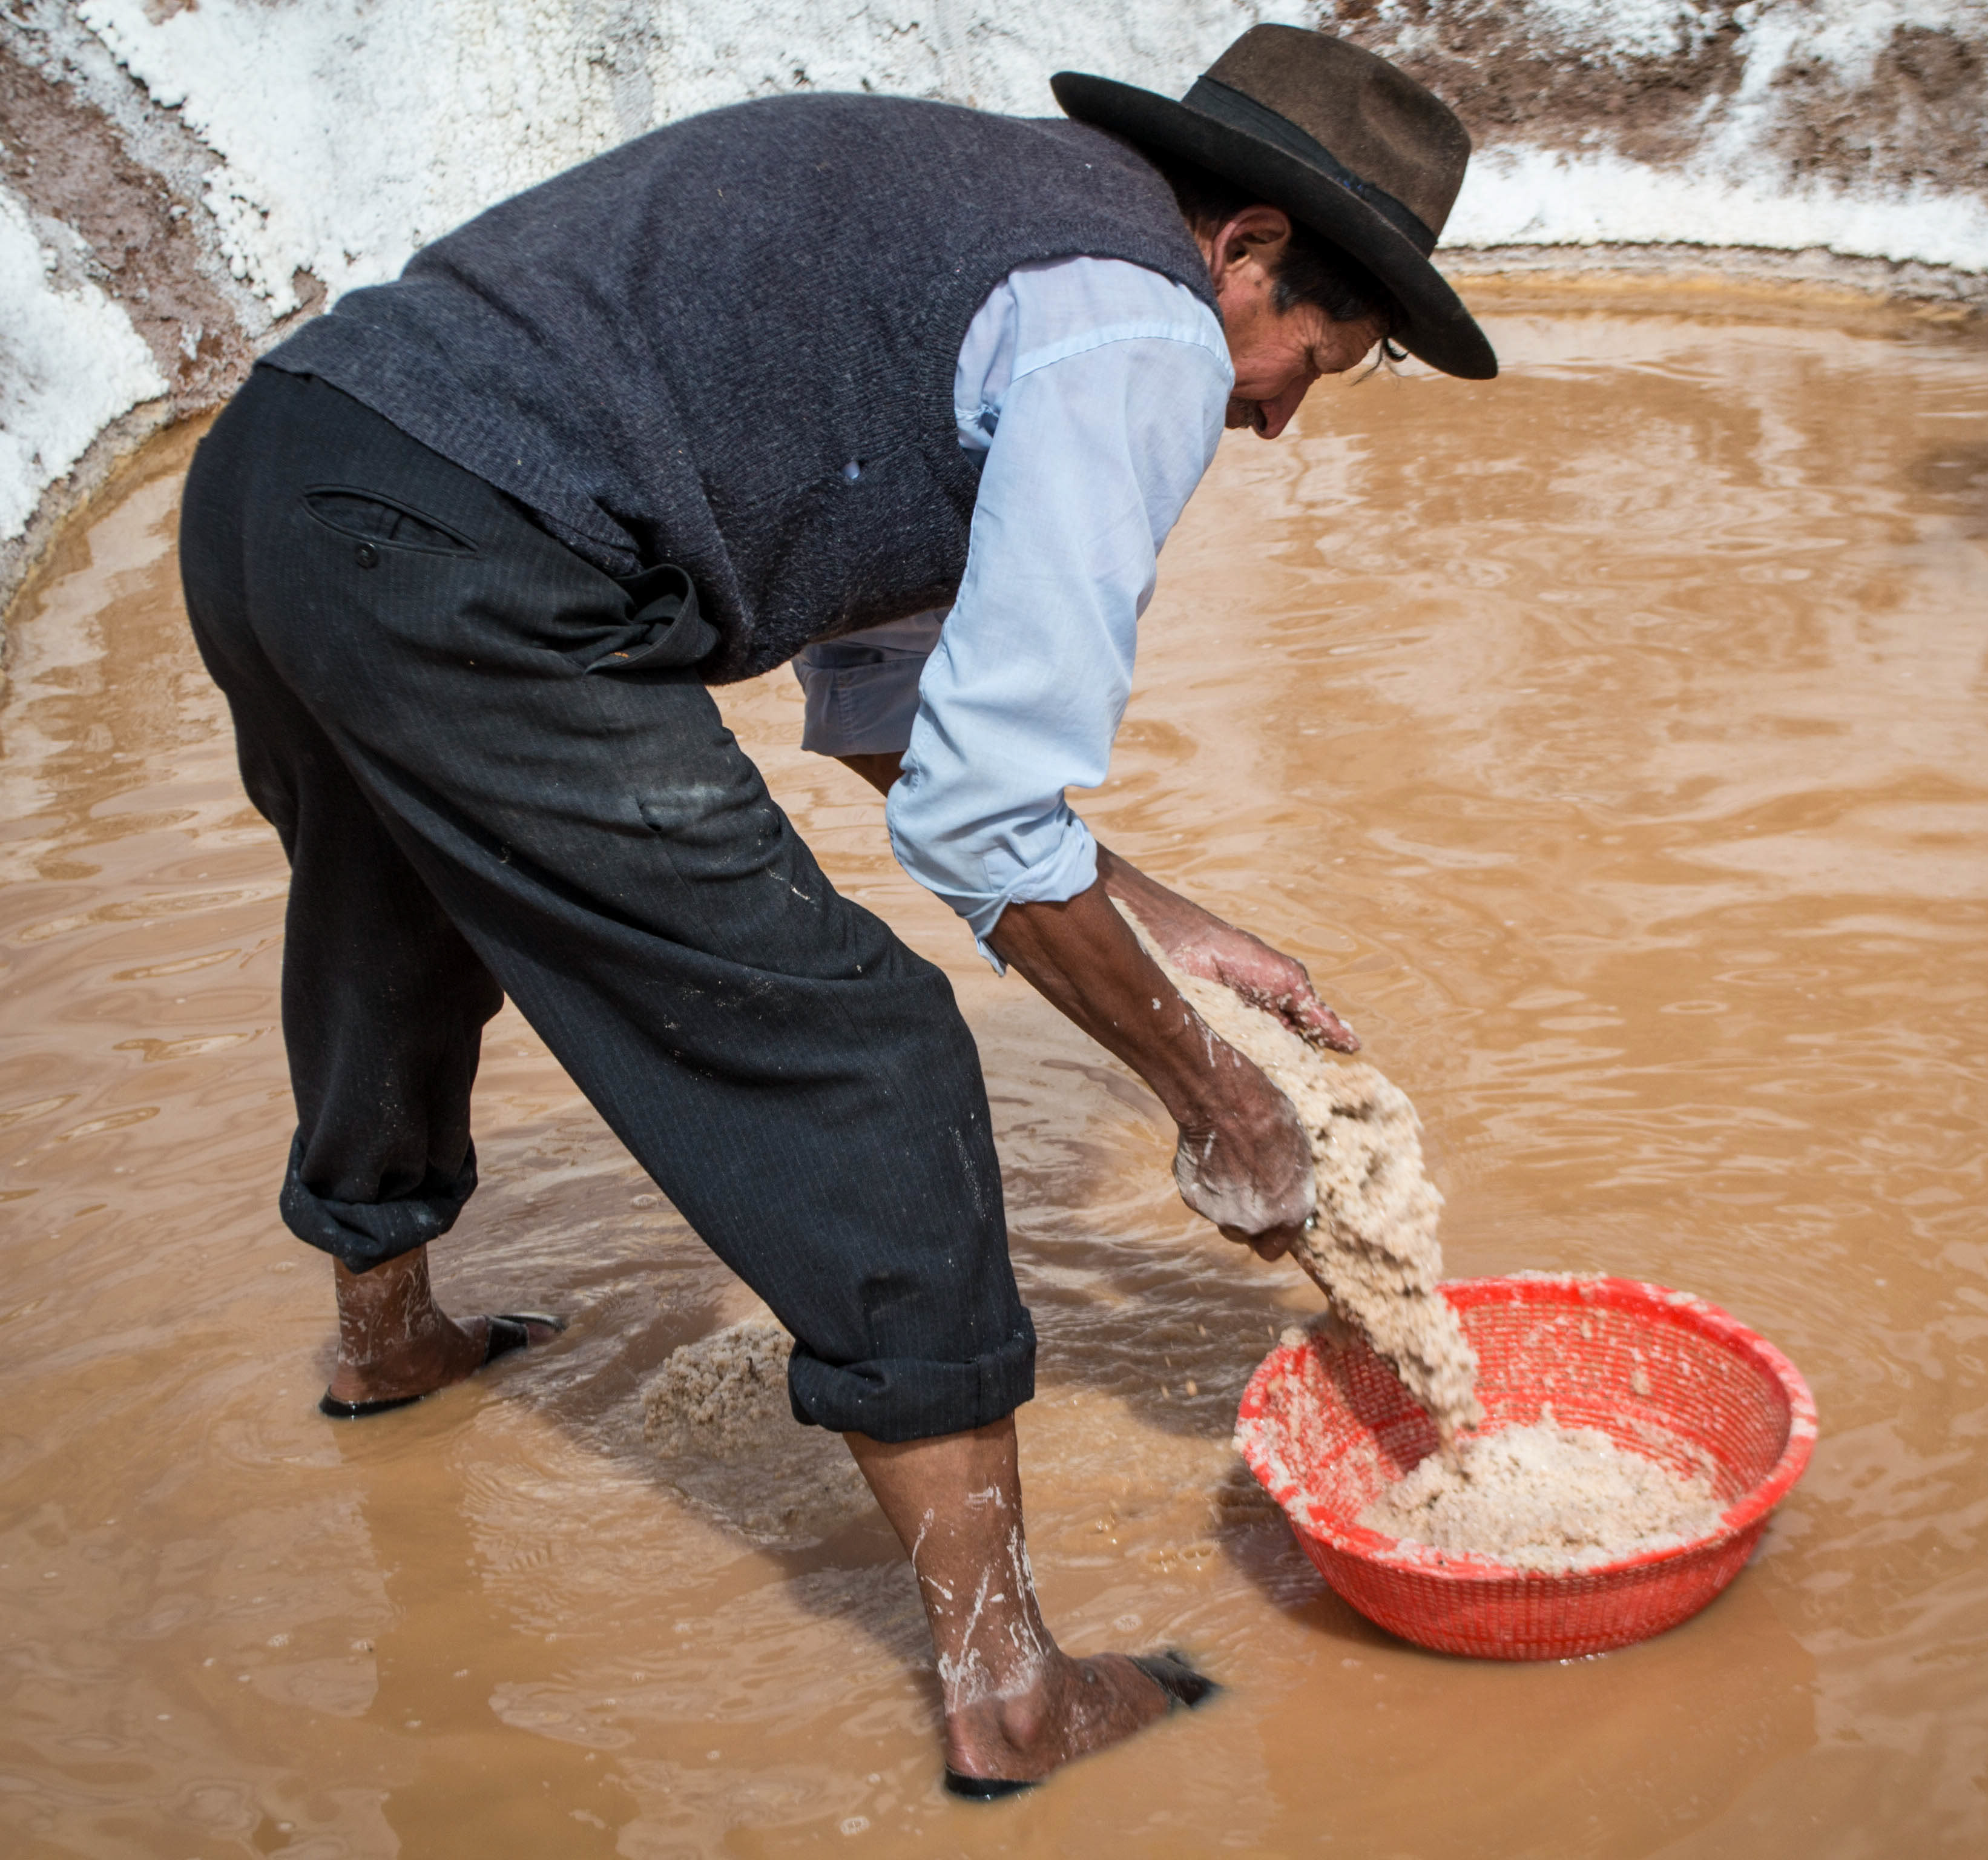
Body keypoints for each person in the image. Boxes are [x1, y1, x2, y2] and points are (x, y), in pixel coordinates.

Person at [176, 24, 1495, 1793]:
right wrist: (1222, 1102)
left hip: (283, 476)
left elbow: (899, 720)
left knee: (394, 911)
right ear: (1248, 248)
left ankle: (388, 1339)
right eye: (1310, 361)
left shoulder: (985, 235)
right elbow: (980, 816)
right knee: (871, 1059)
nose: (1274, 416)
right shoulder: (1141, 327)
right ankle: (1009, 1691)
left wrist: (1172, 928)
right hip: (476, 551)